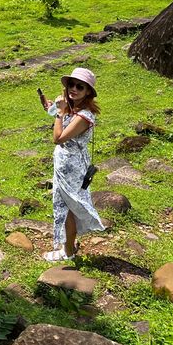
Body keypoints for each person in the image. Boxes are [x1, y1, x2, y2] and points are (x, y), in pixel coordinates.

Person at [43, 67, 104, 261]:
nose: (74, 89)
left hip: (72, 169)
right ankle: (67, 247)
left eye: (80, 86)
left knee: (68, 209)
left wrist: (59, 114)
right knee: (64, 207)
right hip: (64, 165)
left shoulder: (84, 116)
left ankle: (67, 252)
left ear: (88, 92)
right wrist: (53, 109)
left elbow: (58, 138)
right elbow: (62, 122)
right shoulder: (74, 109)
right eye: (71, 84)